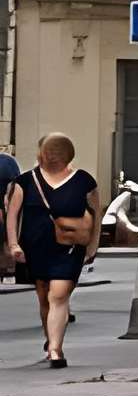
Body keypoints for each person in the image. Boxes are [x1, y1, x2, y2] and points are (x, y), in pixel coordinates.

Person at [4, 135, 99, 368]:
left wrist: (92, 247)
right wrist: (14, 244)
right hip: (35, 248)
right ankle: (51, 339)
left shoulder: (84, 181)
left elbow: (95, 216)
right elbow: (12, 215)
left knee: (59, 295)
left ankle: (56, 349)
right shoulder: (25, 182)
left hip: (70, 248)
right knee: (44, 296)